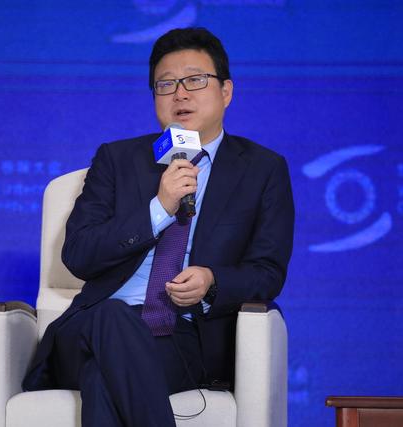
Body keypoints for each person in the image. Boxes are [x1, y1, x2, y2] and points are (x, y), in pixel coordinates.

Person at [23, 27, 294, 427]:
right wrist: (159, 209)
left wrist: (212, 281)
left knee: (103, 380)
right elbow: (78, 254)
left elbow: (267, 272)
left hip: (183, 339)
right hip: (88, 329)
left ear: (226, 91)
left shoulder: (262, 170)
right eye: (166, 84)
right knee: (113, 316)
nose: (180, 94)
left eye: (195, 80)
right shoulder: (117, 160)